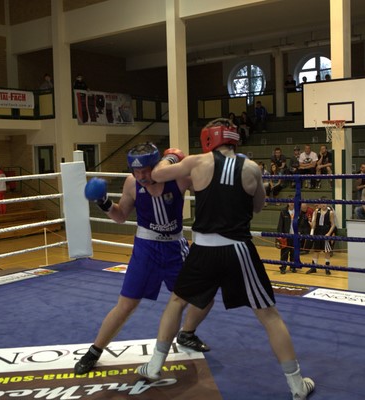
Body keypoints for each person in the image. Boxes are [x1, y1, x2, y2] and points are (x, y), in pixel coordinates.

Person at [136, 119, 315, 399]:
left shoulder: (196, 162)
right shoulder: (252, 168)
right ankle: (296, 385)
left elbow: (157, 174)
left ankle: (155, 366)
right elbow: (259, 206)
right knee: (269, 315)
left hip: (203, 250)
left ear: (209, 138)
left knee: (177, 302)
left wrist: (171, 156)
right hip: (239, 250)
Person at [74, 143, 212, 375]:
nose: (141, 176)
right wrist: (103, 201)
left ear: (156, 166)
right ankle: (94, 351)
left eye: (145, 171)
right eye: (136, 171)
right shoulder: (131, 183)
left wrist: (174, 161)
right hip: (145, 249)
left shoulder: (178, 179)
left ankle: (187, 333)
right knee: (127, 304)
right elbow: (120, 216)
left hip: (174, 248)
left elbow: (205, 176)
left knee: (204, 297)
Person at [306, 198, 335, 275]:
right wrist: (312, 226)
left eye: (324, 203)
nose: (323, 204)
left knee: (327, 251)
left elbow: (333, 225)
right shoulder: (316, 211)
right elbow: (314, 222)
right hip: (318, 232)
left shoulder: (330, 212)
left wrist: (329, 233)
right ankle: (313, 267)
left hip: (326, 232)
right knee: (316, 250)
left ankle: (327, 268)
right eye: (322, 203)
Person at [276, 202, 296, 274]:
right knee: (284, 252)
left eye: (293, 202)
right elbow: (280, 223)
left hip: (295, 235)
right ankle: (283, 267)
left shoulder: (297, 211)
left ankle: (293, 266)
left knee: (294, 252)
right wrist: (279, 235)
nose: (292, 203)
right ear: (288, 203)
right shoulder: (283, 211)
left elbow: (300, 223)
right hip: (286, 235)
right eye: (290, 202)